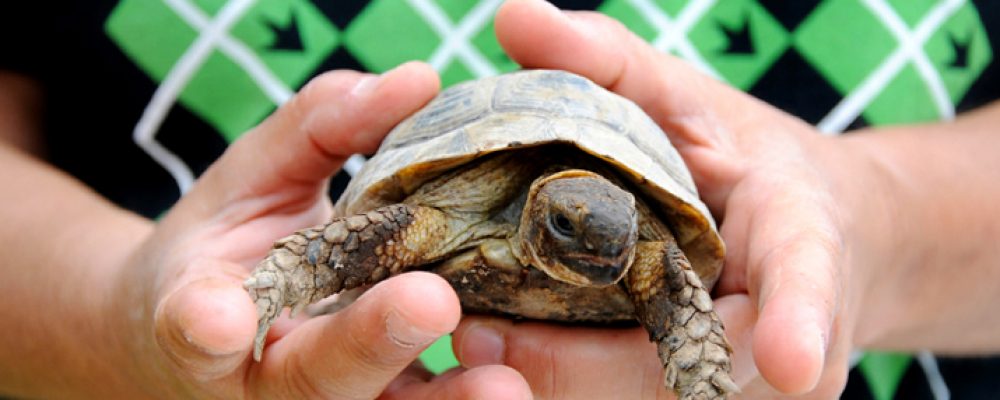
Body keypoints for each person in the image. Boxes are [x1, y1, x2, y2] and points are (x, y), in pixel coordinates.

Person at [1, 0, 997, 399]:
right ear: (536, 207)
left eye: (615, 240)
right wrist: (115, 316)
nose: (604, 256)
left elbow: (660, 272)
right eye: (571, 228)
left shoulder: (642, 250)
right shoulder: (445, 208)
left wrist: (877, 227)